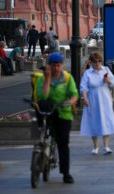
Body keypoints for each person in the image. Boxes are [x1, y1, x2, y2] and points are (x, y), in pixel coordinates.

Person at [35, 53, 79, 184]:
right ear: (49, 66)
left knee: (63, 144)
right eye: (53, 65)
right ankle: (42, 139)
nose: (55, 68)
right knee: (41, 112)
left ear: (62, 65)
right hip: (47, 111)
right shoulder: (42, 79)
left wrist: (70, 102)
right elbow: (42, 96)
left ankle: (66, 173)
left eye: (58, 65)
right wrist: (48, 79)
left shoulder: (67, 78)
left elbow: (74, 94)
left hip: (63, 112)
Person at [80, 52, 114, 155]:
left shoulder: (105, 70)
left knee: (106, 120)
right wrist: (85, 98)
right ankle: (95, 146)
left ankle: (106, 146)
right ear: (91, 62)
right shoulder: (88, 73)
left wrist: (108, 81)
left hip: (104, 97)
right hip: (93, 98)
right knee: (94, 120)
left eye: (99, 61)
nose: (98, 64)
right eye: (95, 62)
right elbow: (83, 87)